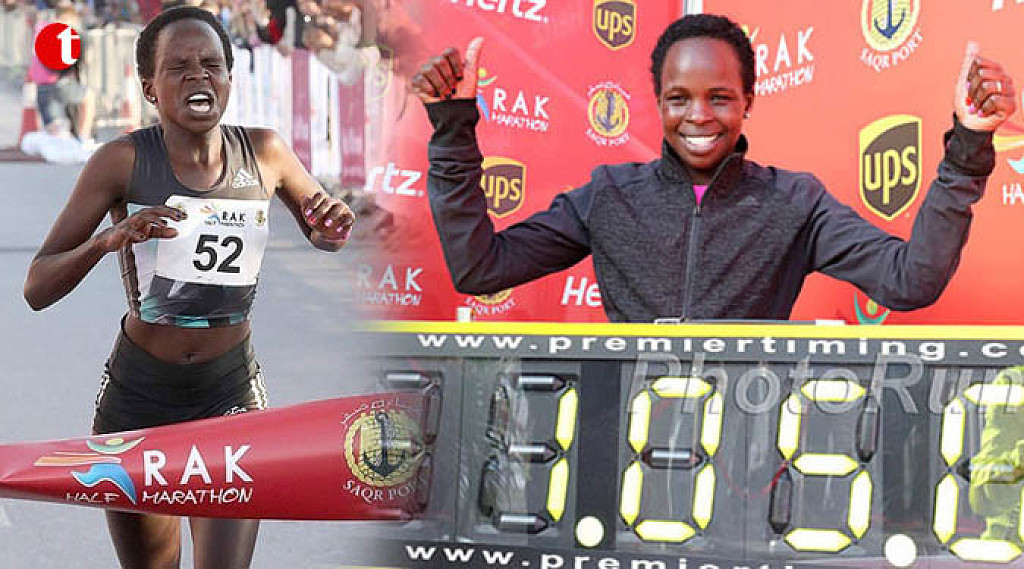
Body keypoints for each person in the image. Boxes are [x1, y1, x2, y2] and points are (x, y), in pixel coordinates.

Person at [23, 6, 354, 568]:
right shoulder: (121, 161)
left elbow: (324, 232)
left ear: (229, 78)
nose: (198, 76)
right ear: (150, 87)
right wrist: (107, 242)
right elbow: (38, 286)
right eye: (178, 67)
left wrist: (333, 226)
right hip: (140, 398)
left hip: (229, 394)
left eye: (211, 65)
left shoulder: (266, 152)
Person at [411, 14, 1014, 323]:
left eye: (719, 97)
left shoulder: (795, 202)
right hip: (621, 452)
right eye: (679, 98)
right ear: (659, 102)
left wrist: (969, 145)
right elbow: (480, 269)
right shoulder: (607, 196)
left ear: (748, 100)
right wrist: (453, 128)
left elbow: (910, 281)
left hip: (745, 464)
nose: (698, 115)